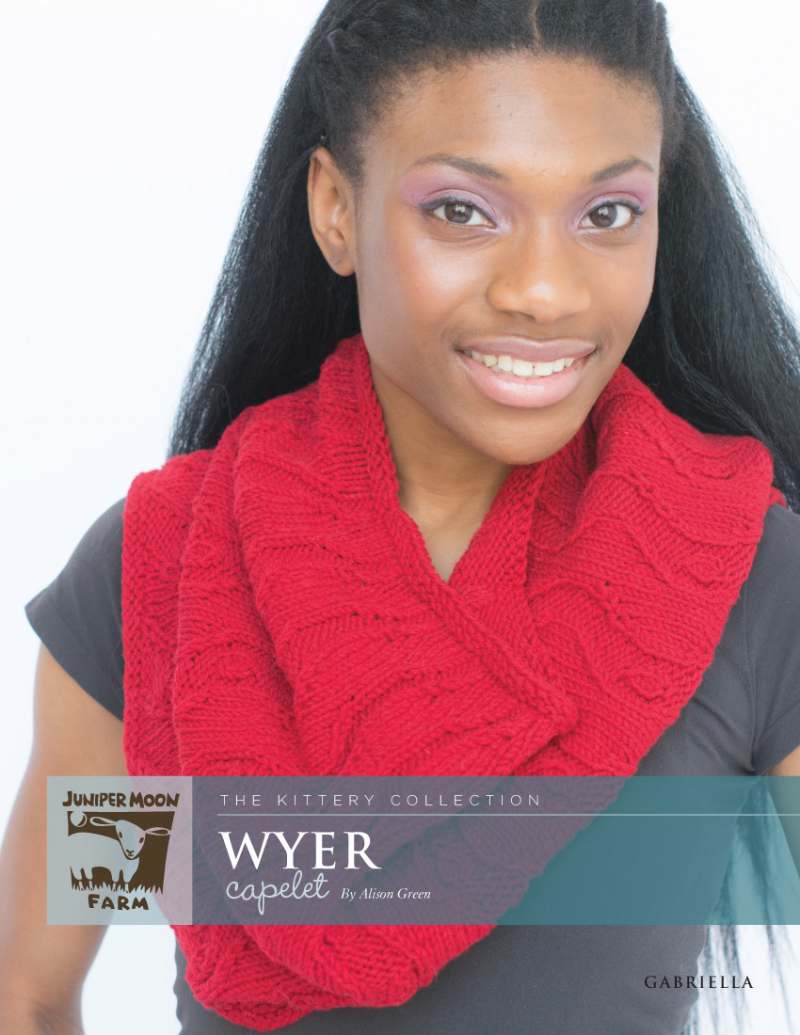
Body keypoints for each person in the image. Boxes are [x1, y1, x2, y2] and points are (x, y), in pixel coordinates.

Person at [3, 0, 800, 1032]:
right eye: (463, 210)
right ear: (336, 209)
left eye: (606, 215)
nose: (544, 292)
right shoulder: (166, 577)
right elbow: (29, 991)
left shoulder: (752, 583)